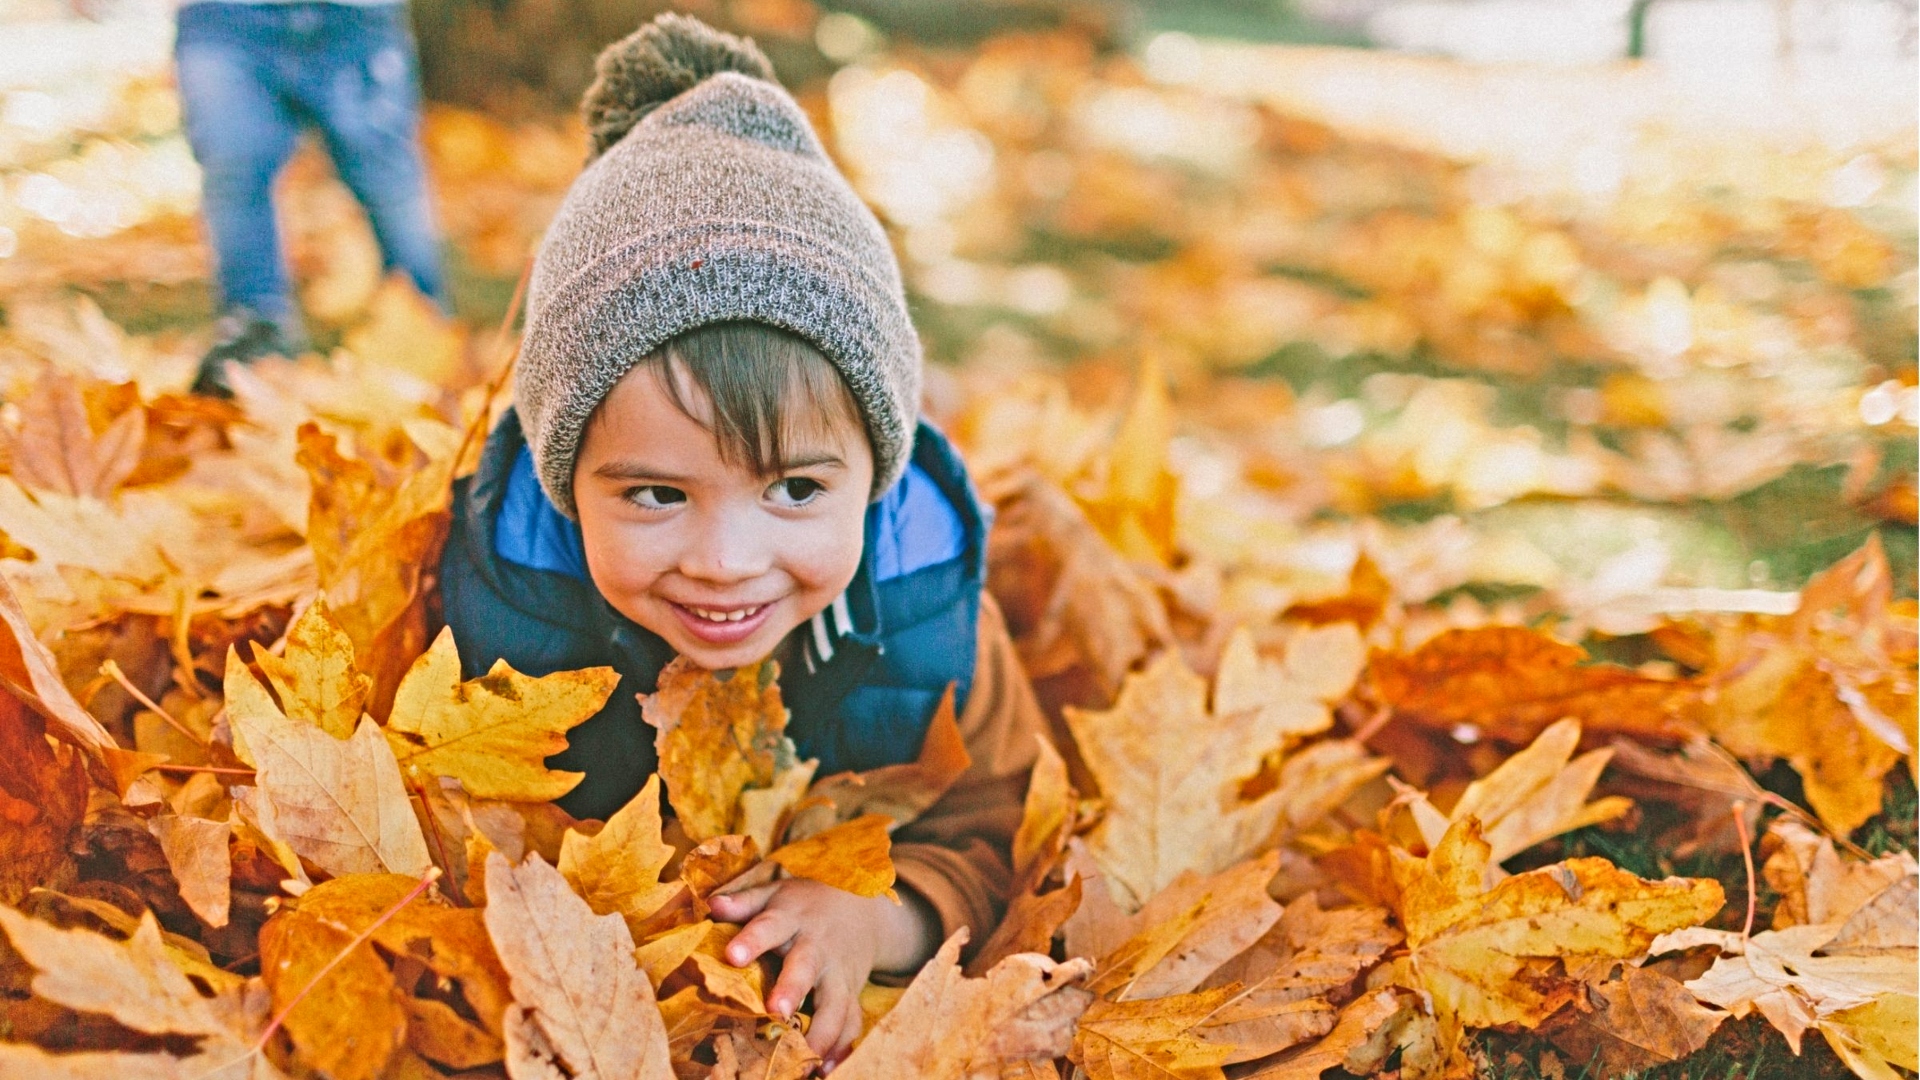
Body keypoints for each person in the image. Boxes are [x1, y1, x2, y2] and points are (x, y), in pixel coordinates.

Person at [436, 14, 1045, 1066]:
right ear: (567, 480)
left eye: (798, 489)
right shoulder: (501, 611)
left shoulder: (926, 618)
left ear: (876, 475)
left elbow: (999, 837)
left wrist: (878, 914)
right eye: (658, 495)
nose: (725, 559)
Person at [173, 0, 449, 395]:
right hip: (223, 18)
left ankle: (423, 324)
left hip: (353, 17)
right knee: (235, 169)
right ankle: (254, 335)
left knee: (386, 177)